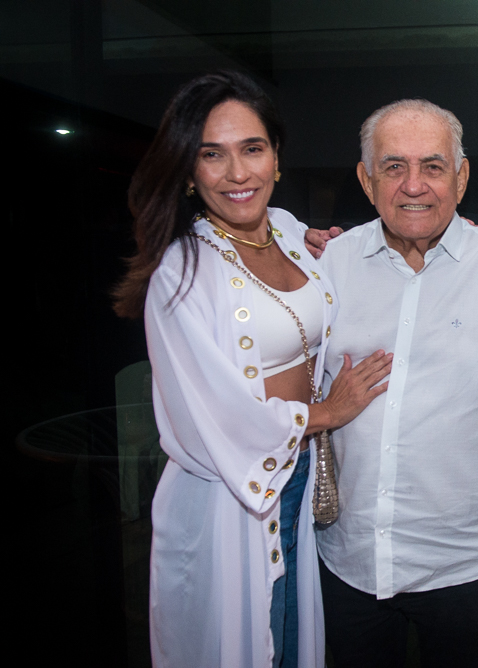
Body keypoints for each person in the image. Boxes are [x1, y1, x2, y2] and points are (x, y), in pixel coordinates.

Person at [113, 71, 392, 668]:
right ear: (188, 172)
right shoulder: (181, 271)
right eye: (212, 154)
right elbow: (212, 415)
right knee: (246, 642)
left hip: (297, 476)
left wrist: (453, 236)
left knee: (289, 639)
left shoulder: (289, 232)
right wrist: (328, 412)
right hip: (230, 497)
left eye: (252, 148)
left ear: (277, 157)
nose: (237, 173)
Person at [308, 99, 478, 667]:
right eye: (394, 167)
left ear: (462, 178)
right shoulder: (327, 266)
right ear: (367, 181)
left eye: (433, 166)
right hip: (351, 559)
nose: (414, 185)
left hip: (468, 562)